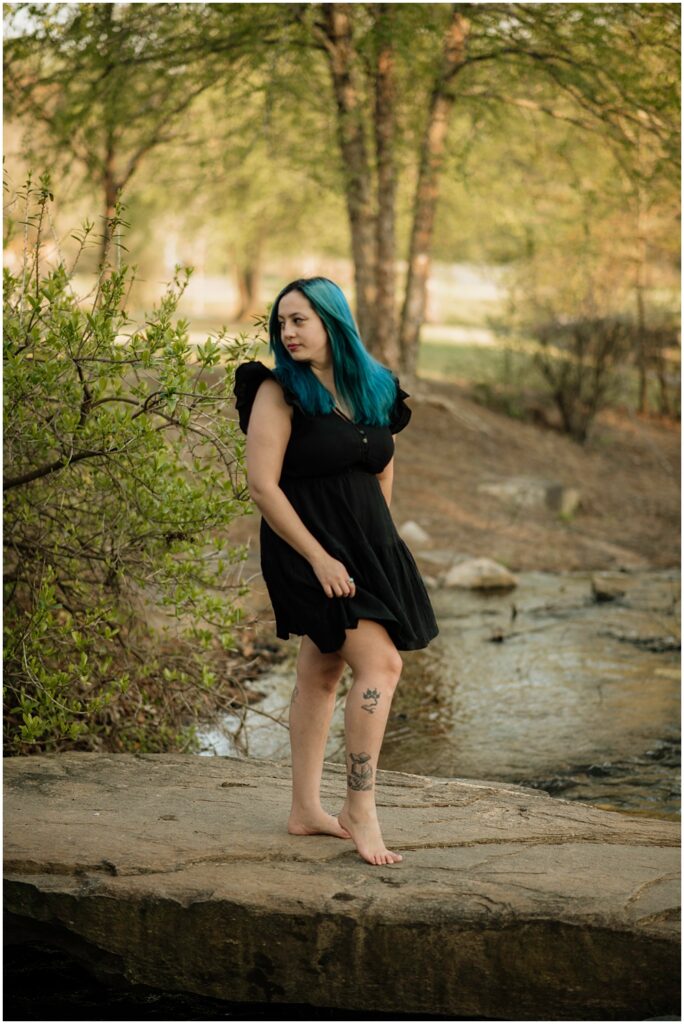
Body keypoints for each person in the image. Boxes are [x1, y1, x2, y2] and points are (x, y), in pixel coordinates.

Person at [233, 277, 439, 866]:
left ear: (332, 321)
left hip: (367, 549)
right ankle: (360, 807)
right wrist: (319, 557)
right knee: (382, 664)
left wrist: (381, 543)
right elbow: (262, 486)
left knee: (322, 672)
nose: (287, 333)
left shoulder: (373, 386)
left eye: (299, 320)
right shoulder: (278, 392)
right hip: (308, 553)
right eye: (281, 323)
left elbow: (380, 467)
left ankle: (304, 810)